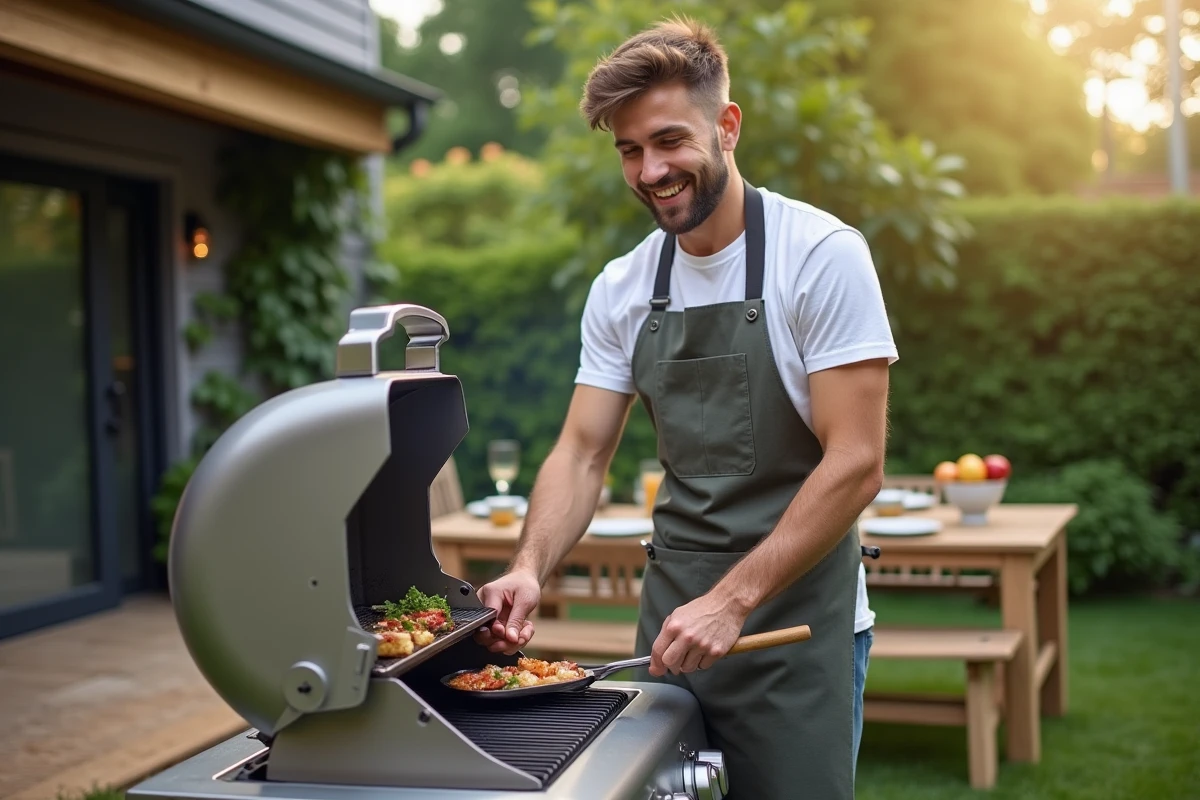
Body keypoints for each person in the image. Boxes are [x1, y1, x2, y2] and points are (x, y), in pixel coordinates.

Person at [473, 16, 895, 799]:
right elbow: (581, 454)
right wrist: (528, 569)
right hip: (670, 636)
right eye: (629, 150)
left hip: (794, 629)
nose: (651, 171)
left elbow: (857, 462)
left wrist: (731, 602)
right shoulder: (622, 287)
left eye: (669, 141)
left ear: (727, 126)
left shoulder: (820, 256)